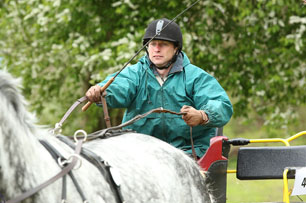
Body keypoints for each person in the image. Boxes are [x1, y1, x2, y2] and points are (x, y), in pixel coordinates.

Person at [86, 18, 233, 158]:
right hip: (139, 152)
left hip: (188, 152)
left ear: (176, 48)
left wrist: (202, 115)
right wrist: (102, 91)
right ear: (147, 47)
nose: (157, 49)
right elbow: (120, 86)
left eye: (163, 44)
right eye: (152, 44)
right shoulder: (134, 74)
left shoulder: (196, 77)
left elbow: (222, 105)